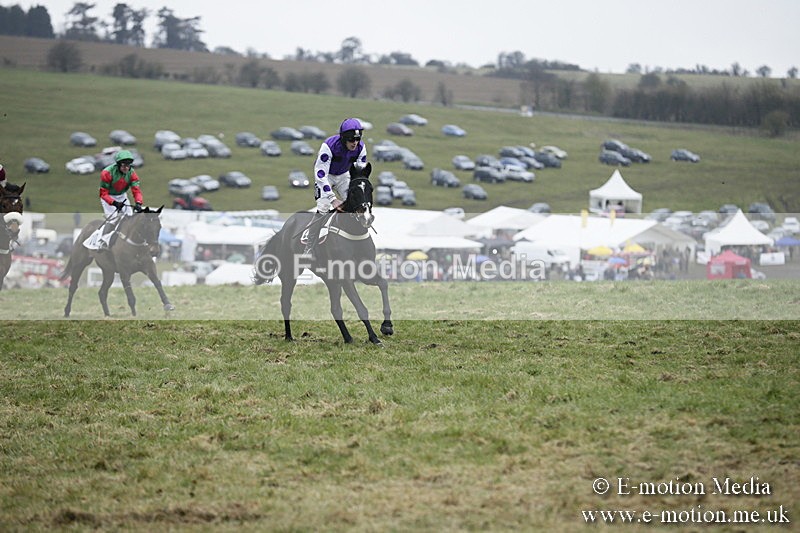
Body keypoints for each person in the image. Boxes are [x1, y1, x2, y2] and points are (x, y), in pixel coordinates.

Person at [302, 118, 368, 260]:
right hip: (326, 176)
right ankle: (309, 245)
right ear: (343, 138)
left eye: (357, 139)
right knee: (324, 207)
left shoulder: (361, 148)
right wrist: (332, 199)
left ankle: (357, 240)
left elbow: (359, 173)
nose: (354, 143)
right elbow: (320, 174)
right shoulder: (329, 146)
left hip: (344, 175)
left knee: (354, 204)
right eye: (351, 139)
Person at [84, 150, 144, 250]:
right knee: (114, 219)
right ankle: (102, 241)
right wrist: (114, 203)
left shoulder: (132, 173)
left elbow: (136, 191)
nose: (126, 168)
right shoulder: (107, 173)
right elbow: (103, 194)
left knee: (130, 218)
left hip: (122, 195)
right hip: (108, 196)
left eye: (128, 165)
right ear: (118, 164)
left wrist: (138, 203)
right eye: (124, 165)